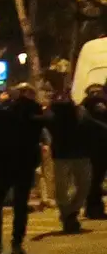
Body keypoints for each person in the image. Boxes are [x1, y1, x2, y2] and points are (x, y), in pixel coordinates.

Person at [0, 85, 45, 254]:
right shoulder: (26, 110)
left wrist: (2, 102)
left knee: (3, 203)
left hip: (10, 162)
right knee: (14, 204)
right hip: (17, 162)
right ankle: (10, 241)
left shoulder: (17, 109)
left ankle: (2, 241)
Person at [46, 94, 105, 233]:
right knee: (62, 188)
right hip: (62, 155)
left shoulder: (79, 113)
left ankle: (70, 213)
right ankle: (69, 215)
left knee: (84, 186)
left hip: (80, 154)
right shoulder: (53, 114)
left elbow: (94, 126)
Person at [84, 83, 107, 219]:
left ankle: (93, 207)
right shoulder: (96, 101)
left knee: (95, 179)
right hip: (98, 146)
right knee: (96, 178)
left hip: (97, 146)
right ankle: (93, 208)